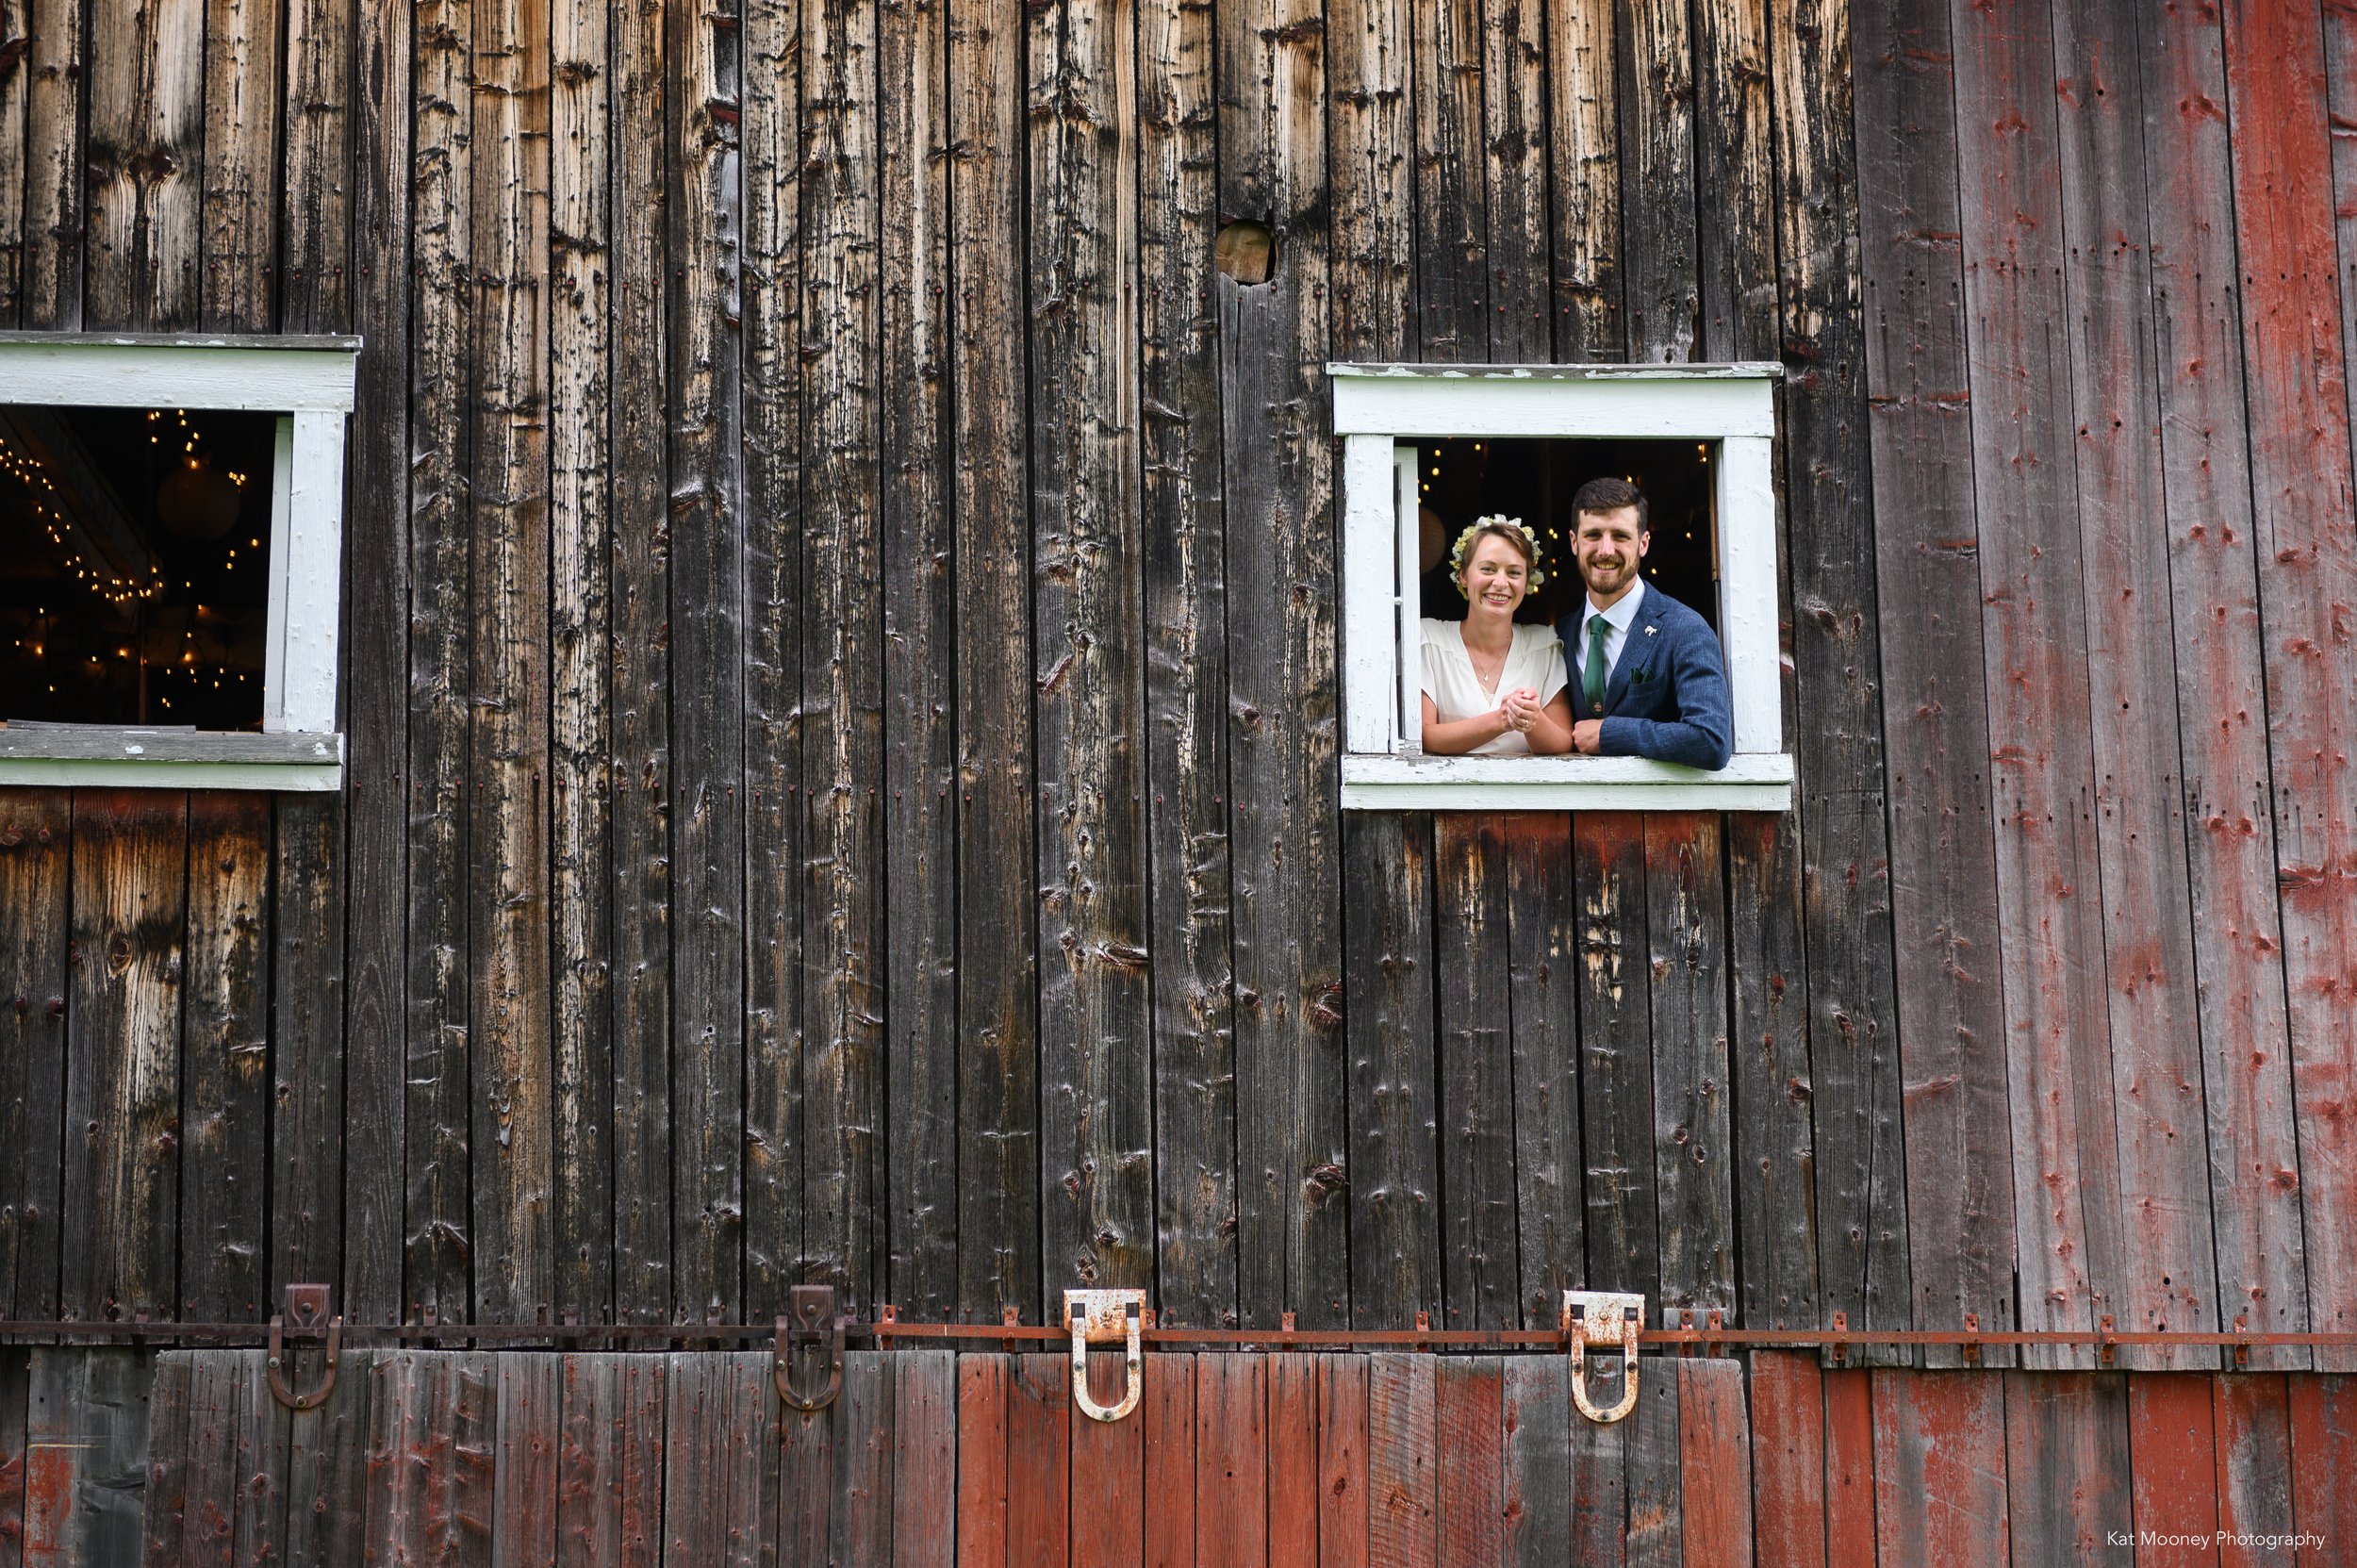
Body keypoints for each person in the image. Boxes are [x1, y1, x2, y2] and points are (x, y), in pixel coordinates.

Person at [1556, 477, 1732, 769]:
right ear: (1574, 542)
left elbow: (1710, 739)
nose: (1605, 550)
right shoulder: (1561, 634)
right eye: (1594, 535)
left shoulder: (1685, 629)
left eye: (1621, 536)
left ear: (1643, 543)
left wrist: (1610, 734)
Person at [1419, 516, 1574, 754]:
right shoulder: (1429, 639)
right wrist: (1501, 720)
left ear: (1527, 582)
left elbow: (1563, 741)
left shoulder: (1544, 644)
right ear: (1463, 575)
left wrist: (1533, 720)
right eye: (1488, 569)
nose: (1501, 583)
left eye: (1514, 573)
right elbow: (1425, 735)